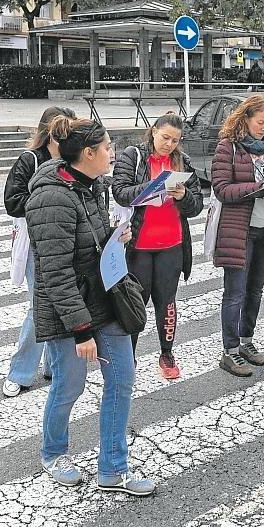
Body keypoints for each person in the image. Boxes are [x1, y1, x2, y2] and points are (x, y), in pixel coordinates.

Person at [24, 116, 154, 496]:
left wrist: (116, 237)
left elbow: (91, 244)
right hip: (69, 312)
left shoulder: (92, 185)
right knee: (69, 385)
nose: (112, 154)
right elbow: (55, 273)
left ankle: (113, 469)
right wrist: (81, 330)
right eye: (108, 147)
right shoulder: (51, 197)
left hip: (104, 298)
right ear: (89, 152)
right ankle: (54, 453)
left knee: (122, 380)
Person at [111, 112, 204, 379]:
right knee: (135, 303)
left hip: (172, 244)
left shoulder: (182, 162)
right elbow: (120, 191)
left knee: (167, 302)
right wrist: (151, 188)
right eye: (165, 138)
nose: (170, 144)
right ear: (153, 132)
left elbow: (196, 205)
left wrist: (184, 195)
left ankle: (166, 352)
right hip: (138, 245)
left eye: (175, 140)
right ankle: (129, 357)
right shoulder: (134, 155)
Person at [210, 95, 264, 376]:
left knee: (255, 290)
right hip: (238, 232)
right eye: (260, 123)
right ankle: (229, 352)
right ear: (245, 118)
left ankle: (246, 342)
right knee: (235, 293)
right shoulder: (228, 147)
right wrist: (257, 187)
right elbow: (221, 188)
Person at [1, 106, 76, 398]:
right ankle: (19, 371)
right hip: (37, 241)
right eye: (63, 132)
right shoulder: (31, 159)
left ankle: (52, 364)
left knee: (63, 303)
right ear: (50, 131)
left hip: (66, 240)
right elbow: (12, 201)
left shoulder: (73, 159)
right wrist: (48, 200)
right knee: (39, 306)